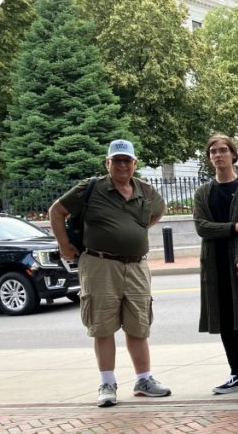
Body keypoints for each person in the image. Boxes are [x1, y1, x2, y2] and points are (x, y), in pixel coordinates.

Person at [49, 139, 171, 407]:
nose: (122, 165)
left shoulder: (145, 191)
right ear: (108, 163)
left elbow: (159, 211)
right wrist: (64, 245)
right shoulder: (90, 188)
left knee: (138, 324)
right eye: (117, 160)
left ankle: (144, 379)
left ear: (134, 164)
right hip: (99, 264)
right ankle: (107, 383)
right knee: (102, 325)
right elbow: (56, 211)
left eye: (127, 160)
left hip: (136, 265)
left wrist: (134, 231)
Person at [193, 134, 238, 394]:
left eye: (223, 150)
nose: (218, 155)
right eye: (213, 151)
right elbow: (201, 227)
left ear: (233, 155)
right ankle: (237, 373)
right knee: (224, 319)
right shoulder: (203, 192)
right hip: (213, 264)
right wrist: (231, 227)